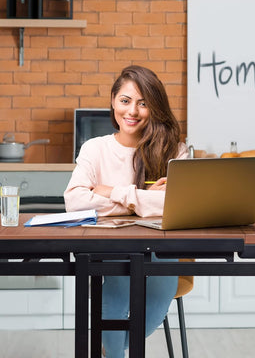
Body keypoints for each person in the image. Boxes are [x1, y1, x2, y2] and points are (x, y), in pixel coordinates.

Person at [64, 65, 188, 358]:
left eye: (143, 103)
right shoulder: (94, 149)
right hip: (106, 247)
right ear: (113, 101)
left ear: (154, 107)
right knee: (119, 276)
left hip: (161, 251)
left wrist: (112, 192)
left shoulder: (174, 149)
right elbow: (75, 202)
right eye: (125, 100)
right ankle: (114, 351)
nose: (132, 111)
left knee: (155, 290)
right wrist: (144, 199)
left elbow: (178, 204)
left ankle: (111, 348)